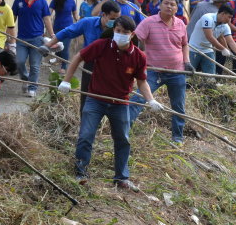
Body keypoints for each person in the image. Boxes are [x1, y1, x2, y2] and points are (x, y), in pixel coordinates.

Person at [59, 16, 163, 190]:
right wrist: (66, 80)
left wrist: (151, 100)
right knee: (86, 135)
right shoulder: (102, 45)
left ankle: (121, 177)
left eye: (125, 32)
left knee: (123, 139)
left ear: (132, 35)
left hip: (120, 102)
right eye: (118, 31)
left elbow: (142, 81)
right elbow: (78, 56)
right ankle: (80, 172)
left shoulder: (138, 56)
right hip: (95, 99)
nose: (120, 35)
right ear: (114, 30)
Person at [128, 0, 191, 144]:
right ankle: (123, 131)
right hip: (153, 71)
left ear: (177, 8)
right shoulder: (148, 22)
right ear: (160, 5)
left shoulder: (181, 24)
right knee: (138, 100)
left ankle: (177, 138)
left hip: (177, 72)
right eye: (166, 3)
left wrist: (187, 61)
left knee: (178, 106)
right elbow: (135, 39)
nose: (169, 6)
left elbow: (184, 44)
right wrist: (137, 58)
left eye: (173, 4)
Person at [46, 0, 122, 113]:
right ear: (103, 15)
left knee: (109, 100)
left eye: (117, 18)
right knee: (86, 98)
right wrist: (48, 45)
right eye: (112, 18)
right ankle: (84, 123)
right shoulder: (88, 23)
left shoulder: (120, 28)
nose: (115, 22)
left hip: (110, 67)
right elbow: (67, 32)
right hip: (90, 65)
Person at [12, 0, 54, 97]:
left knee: (35, 65)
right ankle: (26, 78)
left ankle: (32, 87)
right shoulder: (18, 1)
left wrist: (53, 36)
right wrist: (10, 36)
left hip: (37, 39)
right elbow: (12, 19)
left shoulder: (42, 2)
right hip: (21, 39)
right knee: (19, 62)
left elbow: (47, 19)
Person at [189, 5, 236, 75]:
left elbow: (231, 41)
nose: (229, 20)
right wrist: (223, 49)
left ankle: (210, 85)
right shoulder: (207, 18)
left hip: (208, 50)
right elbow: (209, 37)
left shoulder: (225, 26)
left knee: (210, 76)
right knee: (188, 74)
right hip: (194, 49)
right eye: (229, 17)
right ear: (223, 14)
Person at [49, 0, 78, 73]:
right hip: (57, 28)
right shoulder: (55, 1)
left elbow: (75, 16)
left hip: (68, 28)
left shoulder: (72, 2)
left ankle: (64, 67)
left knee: (65, 47)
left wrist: (79, 25)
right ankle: (59, 59)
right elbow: (48, 14)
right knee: (58, 48)